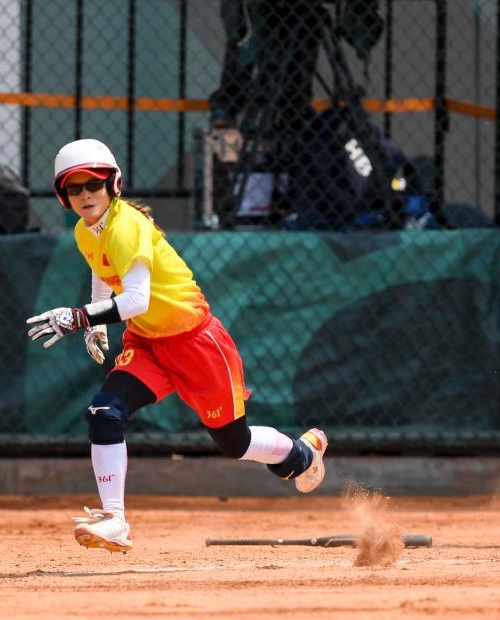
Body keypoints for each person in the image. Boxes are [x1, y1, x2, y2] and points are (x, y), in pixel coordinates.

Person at [26, 138, 328, 553]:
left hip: (195, 342)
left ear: (113, 185)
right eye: (74, 188)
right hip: (147, 343)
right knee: (104, 413)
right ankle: (114, 518)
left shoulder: (127, 226)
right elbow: (102, 269)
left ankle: (302, 453)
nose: (85, 194)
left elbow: (137, 300)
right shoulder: (85, 230)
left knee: (235, 444)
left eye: (93, 184)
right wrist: (97, 324)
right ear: (64, 196)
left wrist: (81, 316)